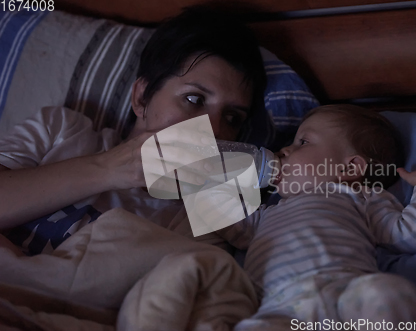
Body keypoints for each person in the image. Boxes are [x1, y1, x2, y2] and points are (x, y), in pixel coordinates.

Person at [0, 6, 266, 255]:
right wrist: (110, 168)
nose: (214, 129)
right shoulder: (60, 130)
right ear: (141, 97)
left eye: (232, 118)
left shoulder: (198, 219)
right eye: (194, 99)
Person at [194, 104, 416, 331]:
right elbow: (229, 221)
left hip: (345, 294)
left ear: (350, 168)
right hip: (279, 308)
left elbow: (410, 235)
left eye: (303, 142)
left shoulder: (361, 197)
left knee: (386, 292)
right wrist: (200, 180)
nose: (284, 150)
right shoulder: (266, 213)